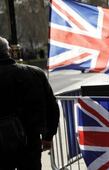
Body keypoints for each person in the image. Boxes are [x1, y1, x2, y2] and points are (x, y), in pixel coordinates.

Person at [0, 37, 60, 170]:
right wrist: (48, 136)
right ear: (9, 51)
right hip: (30, 139)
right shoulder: (35, 73)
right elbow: (52, 107)